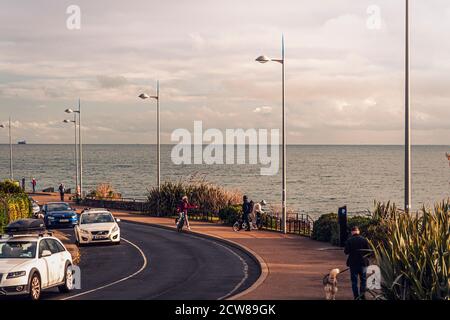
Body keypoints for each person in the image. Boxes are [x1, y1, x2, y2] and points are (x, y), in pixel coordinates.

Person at [344, 226, 370, 300]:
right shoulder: (364, 240)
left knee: (354, 281)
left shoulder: (349, 240)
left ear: (352, 232)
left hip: (353, 264)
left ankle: (356, 297)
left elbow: (346, 252)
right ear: (358, 231)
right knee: (363, 280)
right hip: (363, 263)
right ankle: (362, 296)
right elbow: (368, 251)